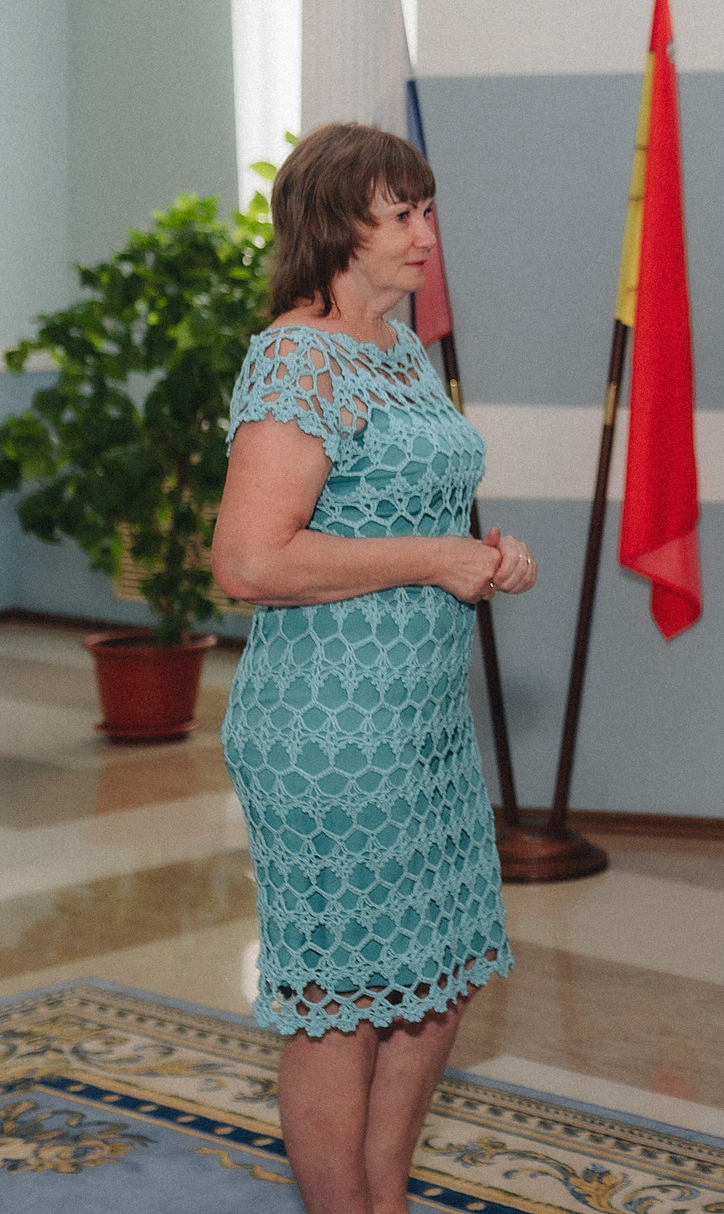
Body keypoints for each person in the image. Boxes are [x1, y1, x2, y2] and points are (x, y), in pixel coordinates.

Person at [210, 123, 539, 1214]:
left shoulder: (397, 348)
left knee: (431, 982)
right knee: (343, 994)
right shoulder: (297, 355)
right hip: (328, 730)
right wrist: (432, 556)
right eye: (397, 213)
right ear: (331, 227)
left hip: (422, 725)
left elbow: (405, 507)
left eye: (426, 209)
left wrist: (484, 556)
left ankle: (380, 1195)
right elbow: (250, 559)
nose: (423, 234)